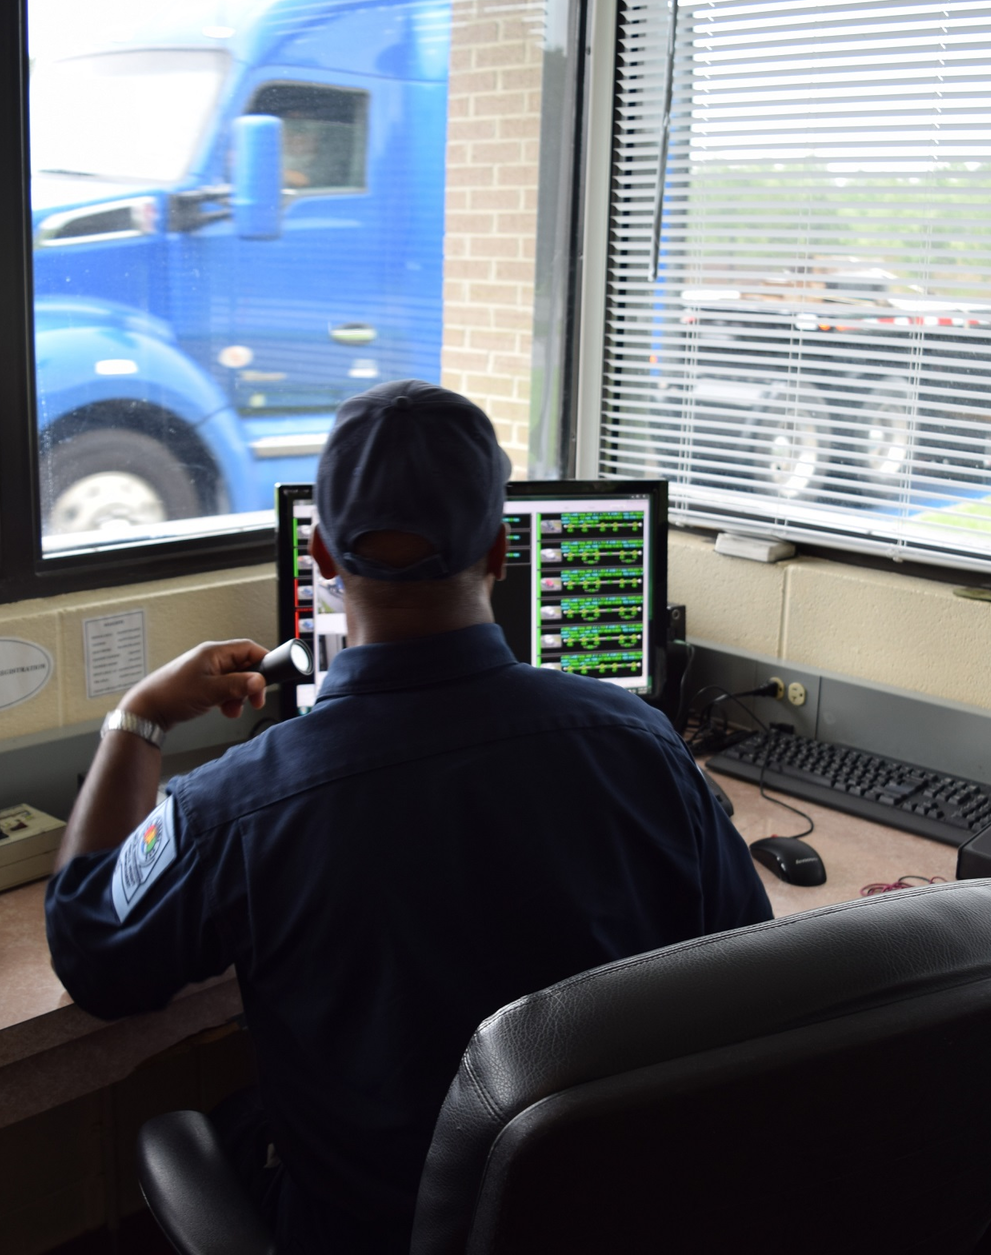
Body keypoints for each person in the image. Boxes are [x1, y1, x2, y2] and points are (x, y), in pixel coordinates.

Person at [45, 379, 772, 1253]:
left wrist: (139, 721)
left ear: (318, 554)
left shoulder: (238, 806)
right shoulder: (642, 744)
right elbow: (743, 955)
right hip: (606, 1212)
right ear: (502, 551)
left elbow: (94, 958)